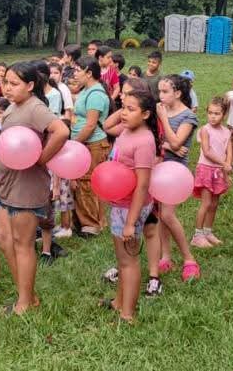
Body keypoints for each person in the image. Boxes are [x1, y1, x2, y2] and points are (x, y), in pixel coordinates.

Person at [0, 60, 69, 315]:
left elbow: (61, 131)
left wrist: (40, 159)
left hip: (27, 185)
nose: (7, 88)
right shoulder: (13, 106)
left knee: (22, 243)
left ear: (31, 85)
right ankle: (27, 294)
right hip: (6, 183)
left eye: (14, 83)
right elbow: (3, 143)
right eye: (5, 83)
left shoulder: (35, 108)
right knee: (4, 239)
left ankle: (25, 301)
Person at [101, 90, 160, 321]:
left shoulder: (144, 141)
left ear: (146, 114)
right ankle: (118, 302)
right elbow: (107, 125)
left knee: (129, 261)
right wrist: (125, 106)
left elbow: (143, 185)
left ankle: (128, 313)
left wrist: (131, 222)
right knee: (122, 259)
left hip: (130, 208)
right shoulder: (127, 130)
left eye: (130, 109)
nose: (123, 113)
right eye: (122, 107)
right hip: (121, 204)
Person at [155, 74, 201, 281]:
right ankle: (165, 256)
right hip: (158, 168)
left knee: (167, 215)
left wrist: (163, 120)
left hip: (175, 172)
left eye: (165, 92)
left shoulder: (187, 117)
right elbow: (162, 141)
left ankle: (189, 259)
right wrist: (166, 144)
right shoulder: (160, 110)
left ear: (178, 93)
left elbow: (176, 143)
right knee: (160, 216)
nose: (160, 96)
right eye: (159, 91)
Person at [69, 56, 111, 238]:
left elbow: (90, 125)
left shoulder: (96, 94)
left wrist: (75, 144)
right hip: (84, 144)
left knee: (87, 184)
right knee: (85, 184)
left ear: (89, 73)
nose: (75, 74)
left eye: (78, 70)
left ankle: (91, 225)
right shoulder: (86, 90)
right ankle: (89, 221)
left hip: (92, 144)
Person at [191, 96, 233, 248]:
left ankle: (208, 232)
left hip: (219, 171)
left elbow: (229, 151)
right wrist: (224, 164)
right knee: (206, 203)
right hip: (206, 170)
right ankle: (197, 235)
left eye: (217, 113)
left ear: (224, 115)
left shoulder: (227, 132)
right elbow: (207, 151)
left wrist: (227, 169)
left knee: (215, 203)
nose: (213, 116)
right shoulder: (205, 130)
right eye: (210, 113)